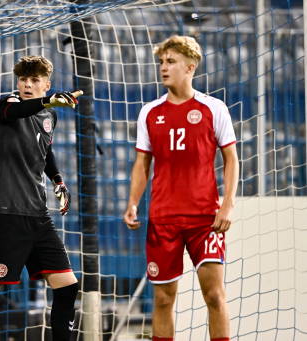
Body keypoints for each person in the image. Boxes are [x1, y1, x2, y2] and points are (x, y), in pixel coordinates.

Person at [123, 35, 239, 341]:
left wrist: (227, 203)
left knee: (214, 295)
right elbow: (141, 165)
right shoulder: (149, 112)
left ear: (190, 67)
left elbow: (231, 158)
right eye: (161, 62)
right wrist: (133, 202)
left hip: (205, 219)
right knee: (162, 300)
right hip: (163, 220)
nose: (163, 67)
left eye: (170, 62)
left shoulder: (214, 108)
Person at [0, 55, 81, 341]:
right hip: (6, 215)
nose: (27, 85)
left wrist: (58, 179)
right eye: (23, 79)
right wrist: (49, 100)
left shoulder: (50, 116)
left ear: (46, 84)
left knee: (67, 286)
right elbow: (18, 112)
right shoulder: (6, 105)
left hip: (38, 216)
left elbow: (45, 149)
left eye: (34, 80)